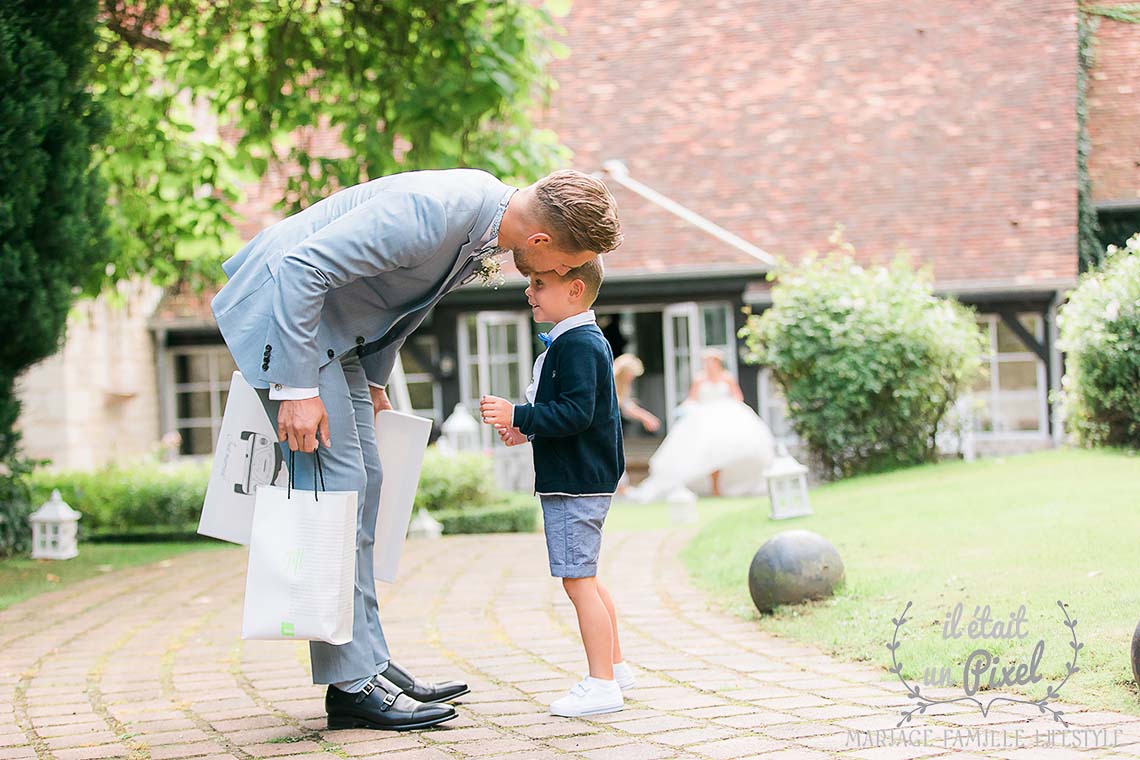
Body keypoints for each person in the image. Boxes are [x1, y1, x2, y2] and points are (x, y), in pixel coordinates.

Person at [210, 168, 622, 731]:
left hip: (339, 336)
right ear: (541, 242)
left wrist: (376, 380)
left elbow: (405, 302)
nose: (563, 274)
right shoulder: (437, 210)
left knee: (368, 481)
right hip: (286, 324)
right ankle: (350, 684)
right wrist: (297, 388)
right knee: (338, 487)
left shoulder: (483, 222)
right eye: (568, 263)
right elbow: (300, 268)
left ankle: (368, 662)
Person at [478, 259, 632, 718]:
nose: (530, 292)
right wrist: (526, 429)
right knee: (587, 577)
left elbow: (577, 412)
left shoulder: (579, 343)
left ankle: (602, 683)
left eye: (540, 284)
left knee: (577, 580)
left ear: (575, 289)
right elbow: (570, 413)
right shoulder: (576, 340)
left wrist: (519, 415)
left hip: (576, 483)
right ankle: (616, 668)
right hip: (581, 475)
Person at [627, 348, 775, 501]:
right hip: (705, 419)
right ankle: (714, 486)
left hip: (725, 417)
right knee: (708, 452)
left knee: (727, 450)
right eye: (706, 362)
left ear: (718, 363)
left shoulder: (727, 377)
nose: (708, 365)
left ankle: (725, 485)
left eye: (711, 362)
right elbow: (692, 398)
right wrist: (685, 409)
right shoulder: (700, 379)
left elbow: (737, 396)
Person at [613, 354, 661, 434]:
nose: (632, 378)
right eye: (631, 374)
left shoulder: (624, 386)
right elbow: (627, 408)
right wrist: (646, 418)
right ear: (623, 372)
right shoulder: (610, 383)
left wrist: (647, 417)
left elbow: (627, 405)